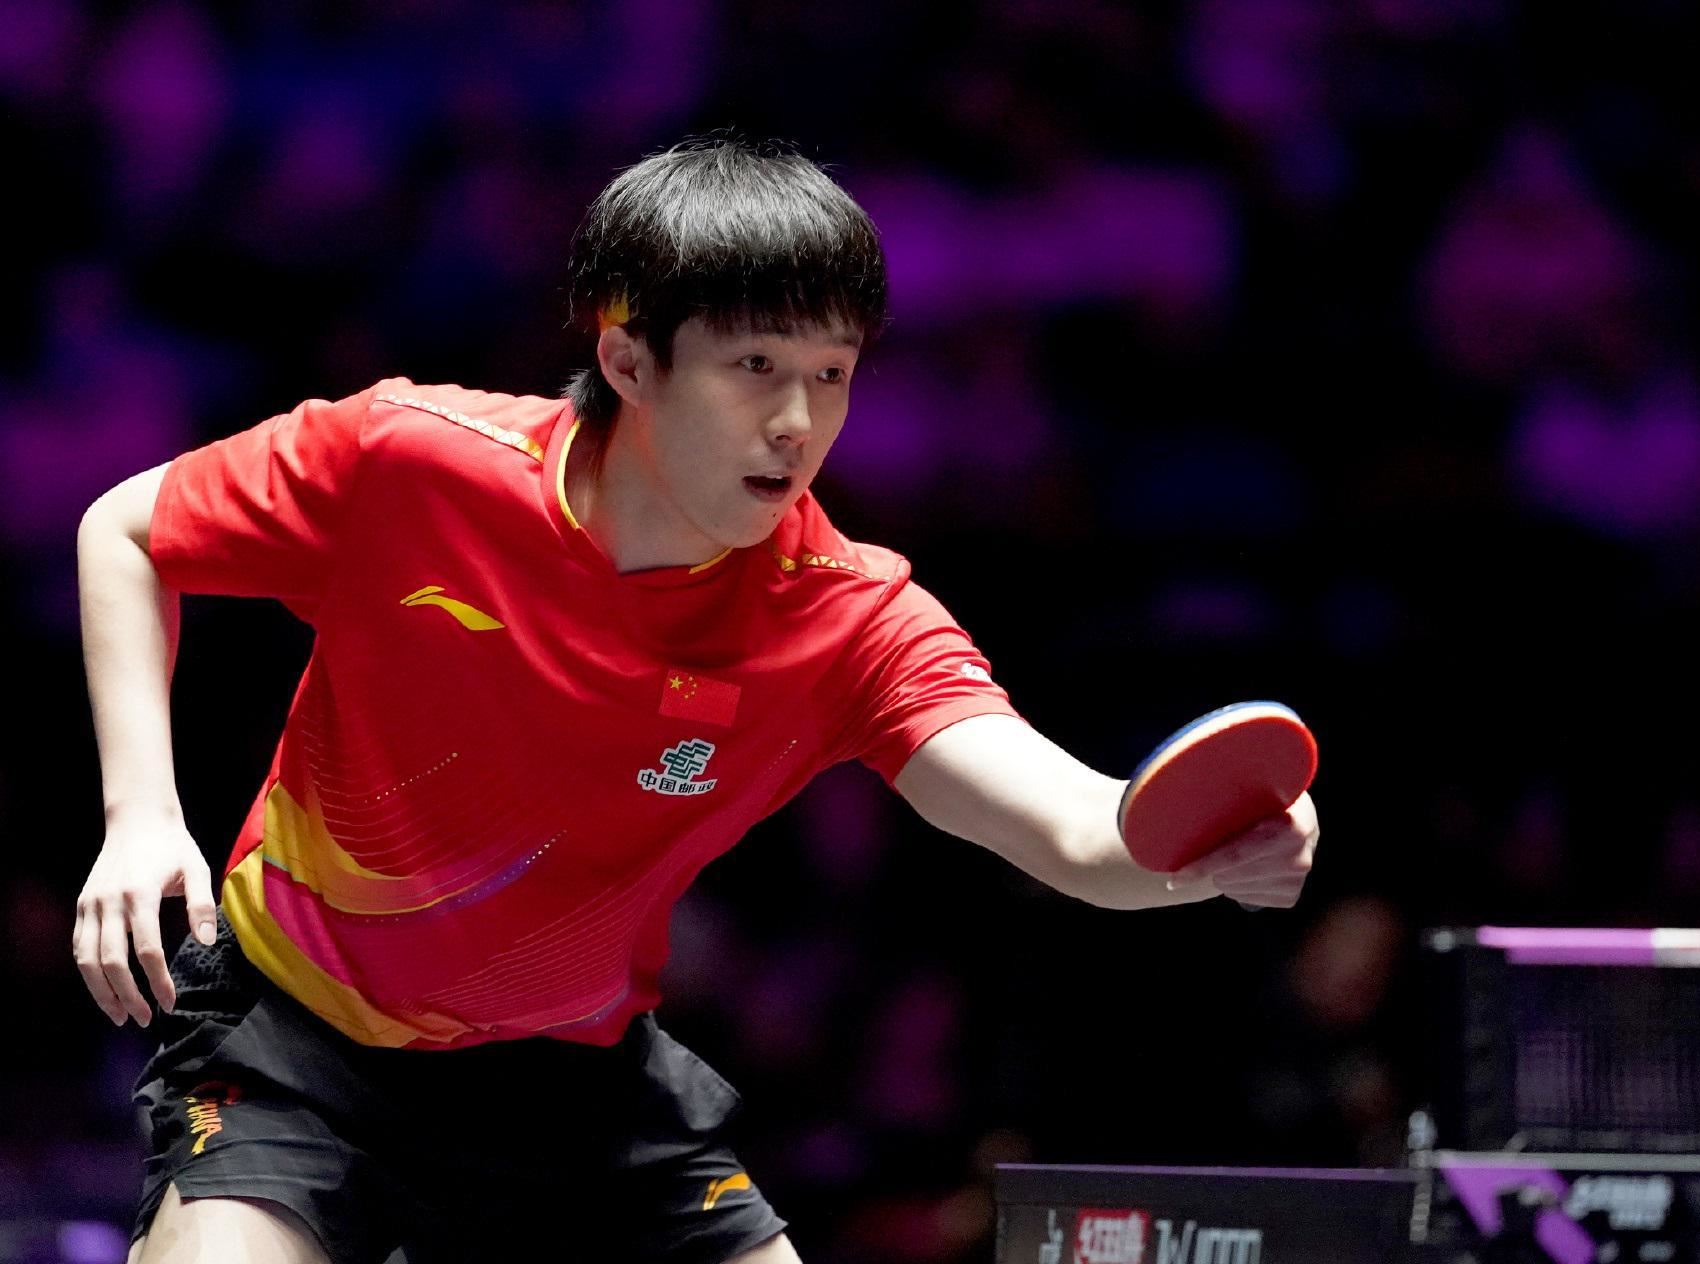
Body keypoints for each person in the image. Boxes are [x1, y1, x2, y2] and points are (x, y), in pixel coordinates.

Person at [73, 135, 1320, 1264]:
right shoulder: (409, 462)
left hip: (574, 1091)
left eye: (832, 373)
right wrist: (140, 815)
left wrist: (1201, 845)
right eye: (754, 365)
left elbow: (1077, 831)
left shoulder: (845, 616)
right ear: (627, 358)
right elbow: (125, 530)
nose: (797, 422)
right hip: (294, 1043)